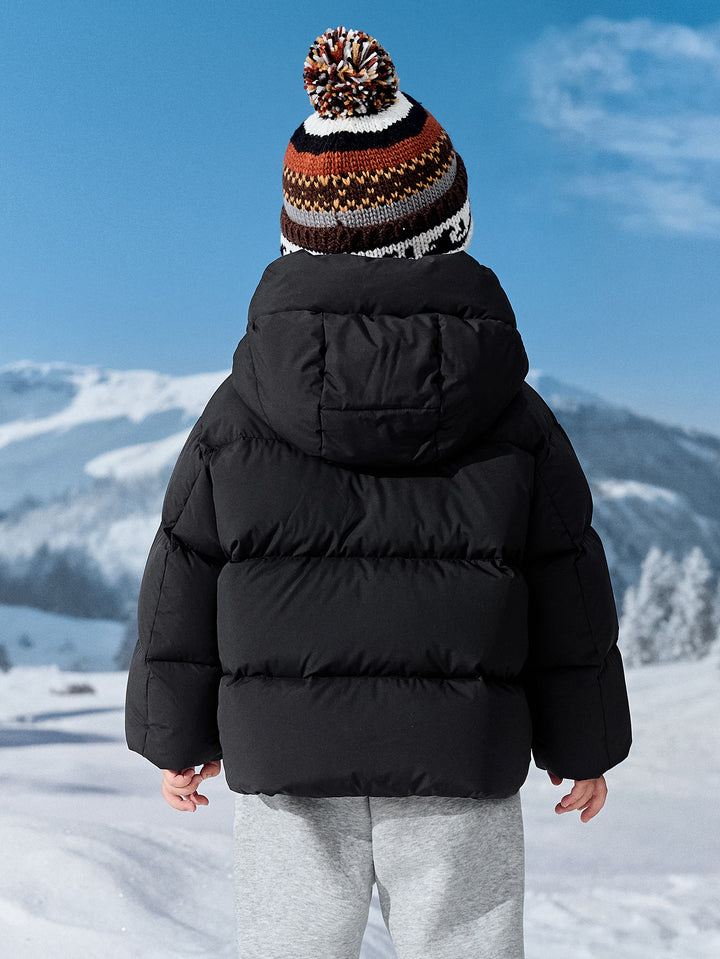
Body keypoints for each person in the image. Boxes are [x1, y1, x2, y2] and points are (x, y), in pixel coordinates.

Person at [125, 26, 632, 959]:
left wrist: (174, 731)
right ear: (451, 232)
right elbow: (567, 578)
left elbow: (182, 572)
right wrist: (585, 739)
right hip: (461, 757)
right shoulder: (513, 413)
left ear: (298, 243)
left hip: (289, 763)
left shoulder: (236, 412)